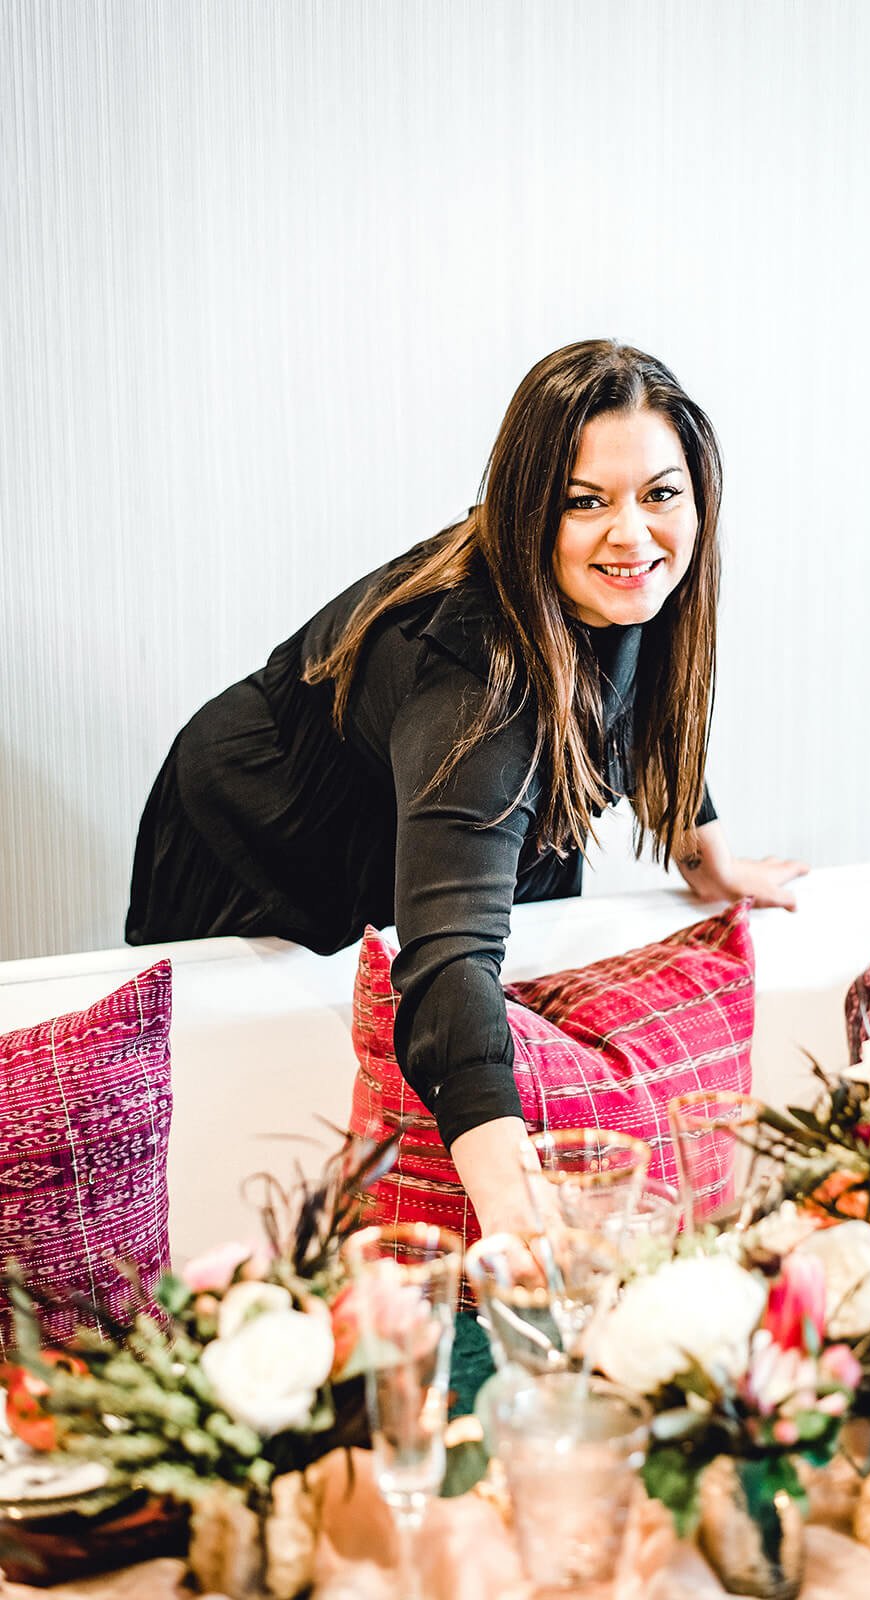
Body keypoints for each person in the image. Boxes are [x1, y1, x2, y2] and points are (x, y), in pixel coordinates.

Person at [126, 339, 806, 1236]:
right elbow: (446, 960)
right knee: (253, 1114)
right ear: (530, 510)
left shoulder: (615, 587)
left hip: (430, 817)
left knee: (469, 1001)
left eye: (660, 493)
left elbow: (636, 699)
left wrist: (705, 853)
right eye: (586, 501)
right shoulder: (477, 685)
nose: (634, 533)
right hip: (262, 840)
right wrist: (504, 1189)